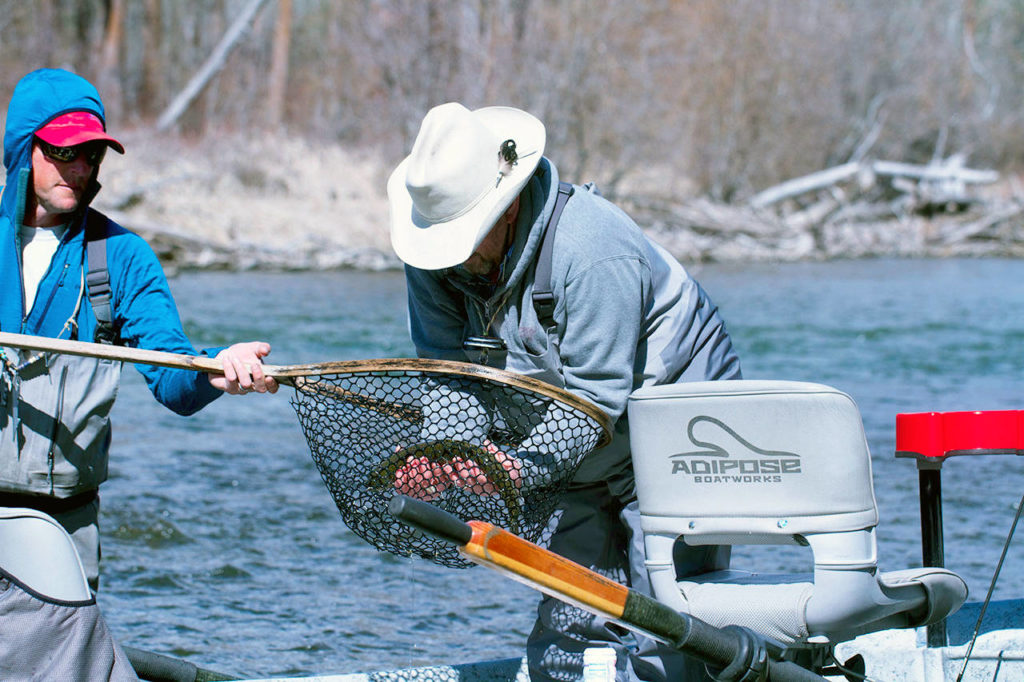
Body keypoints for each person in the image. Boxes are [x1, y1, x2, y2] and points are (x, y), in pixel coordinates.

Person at [386, 102, 742, 681]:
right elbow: (452, 371)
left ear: (506, 209)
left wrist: (513, 469)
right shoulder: (432, 258)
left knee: (671, 617)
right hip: (562, 432)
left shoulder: (593, 247)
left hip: (677, 422)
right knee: (566, 623)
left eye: (466, 238)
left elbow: (597, 396)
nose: (455, 257)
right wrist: (448, 455)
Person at [0, 68, 279, 592]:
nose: (79, 168)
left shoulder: (124, 258)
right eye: (63, 152)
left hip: (65, 527)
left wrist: (218, 368)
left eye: (91, 154)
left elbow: (174, 383)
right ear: (23, 150)